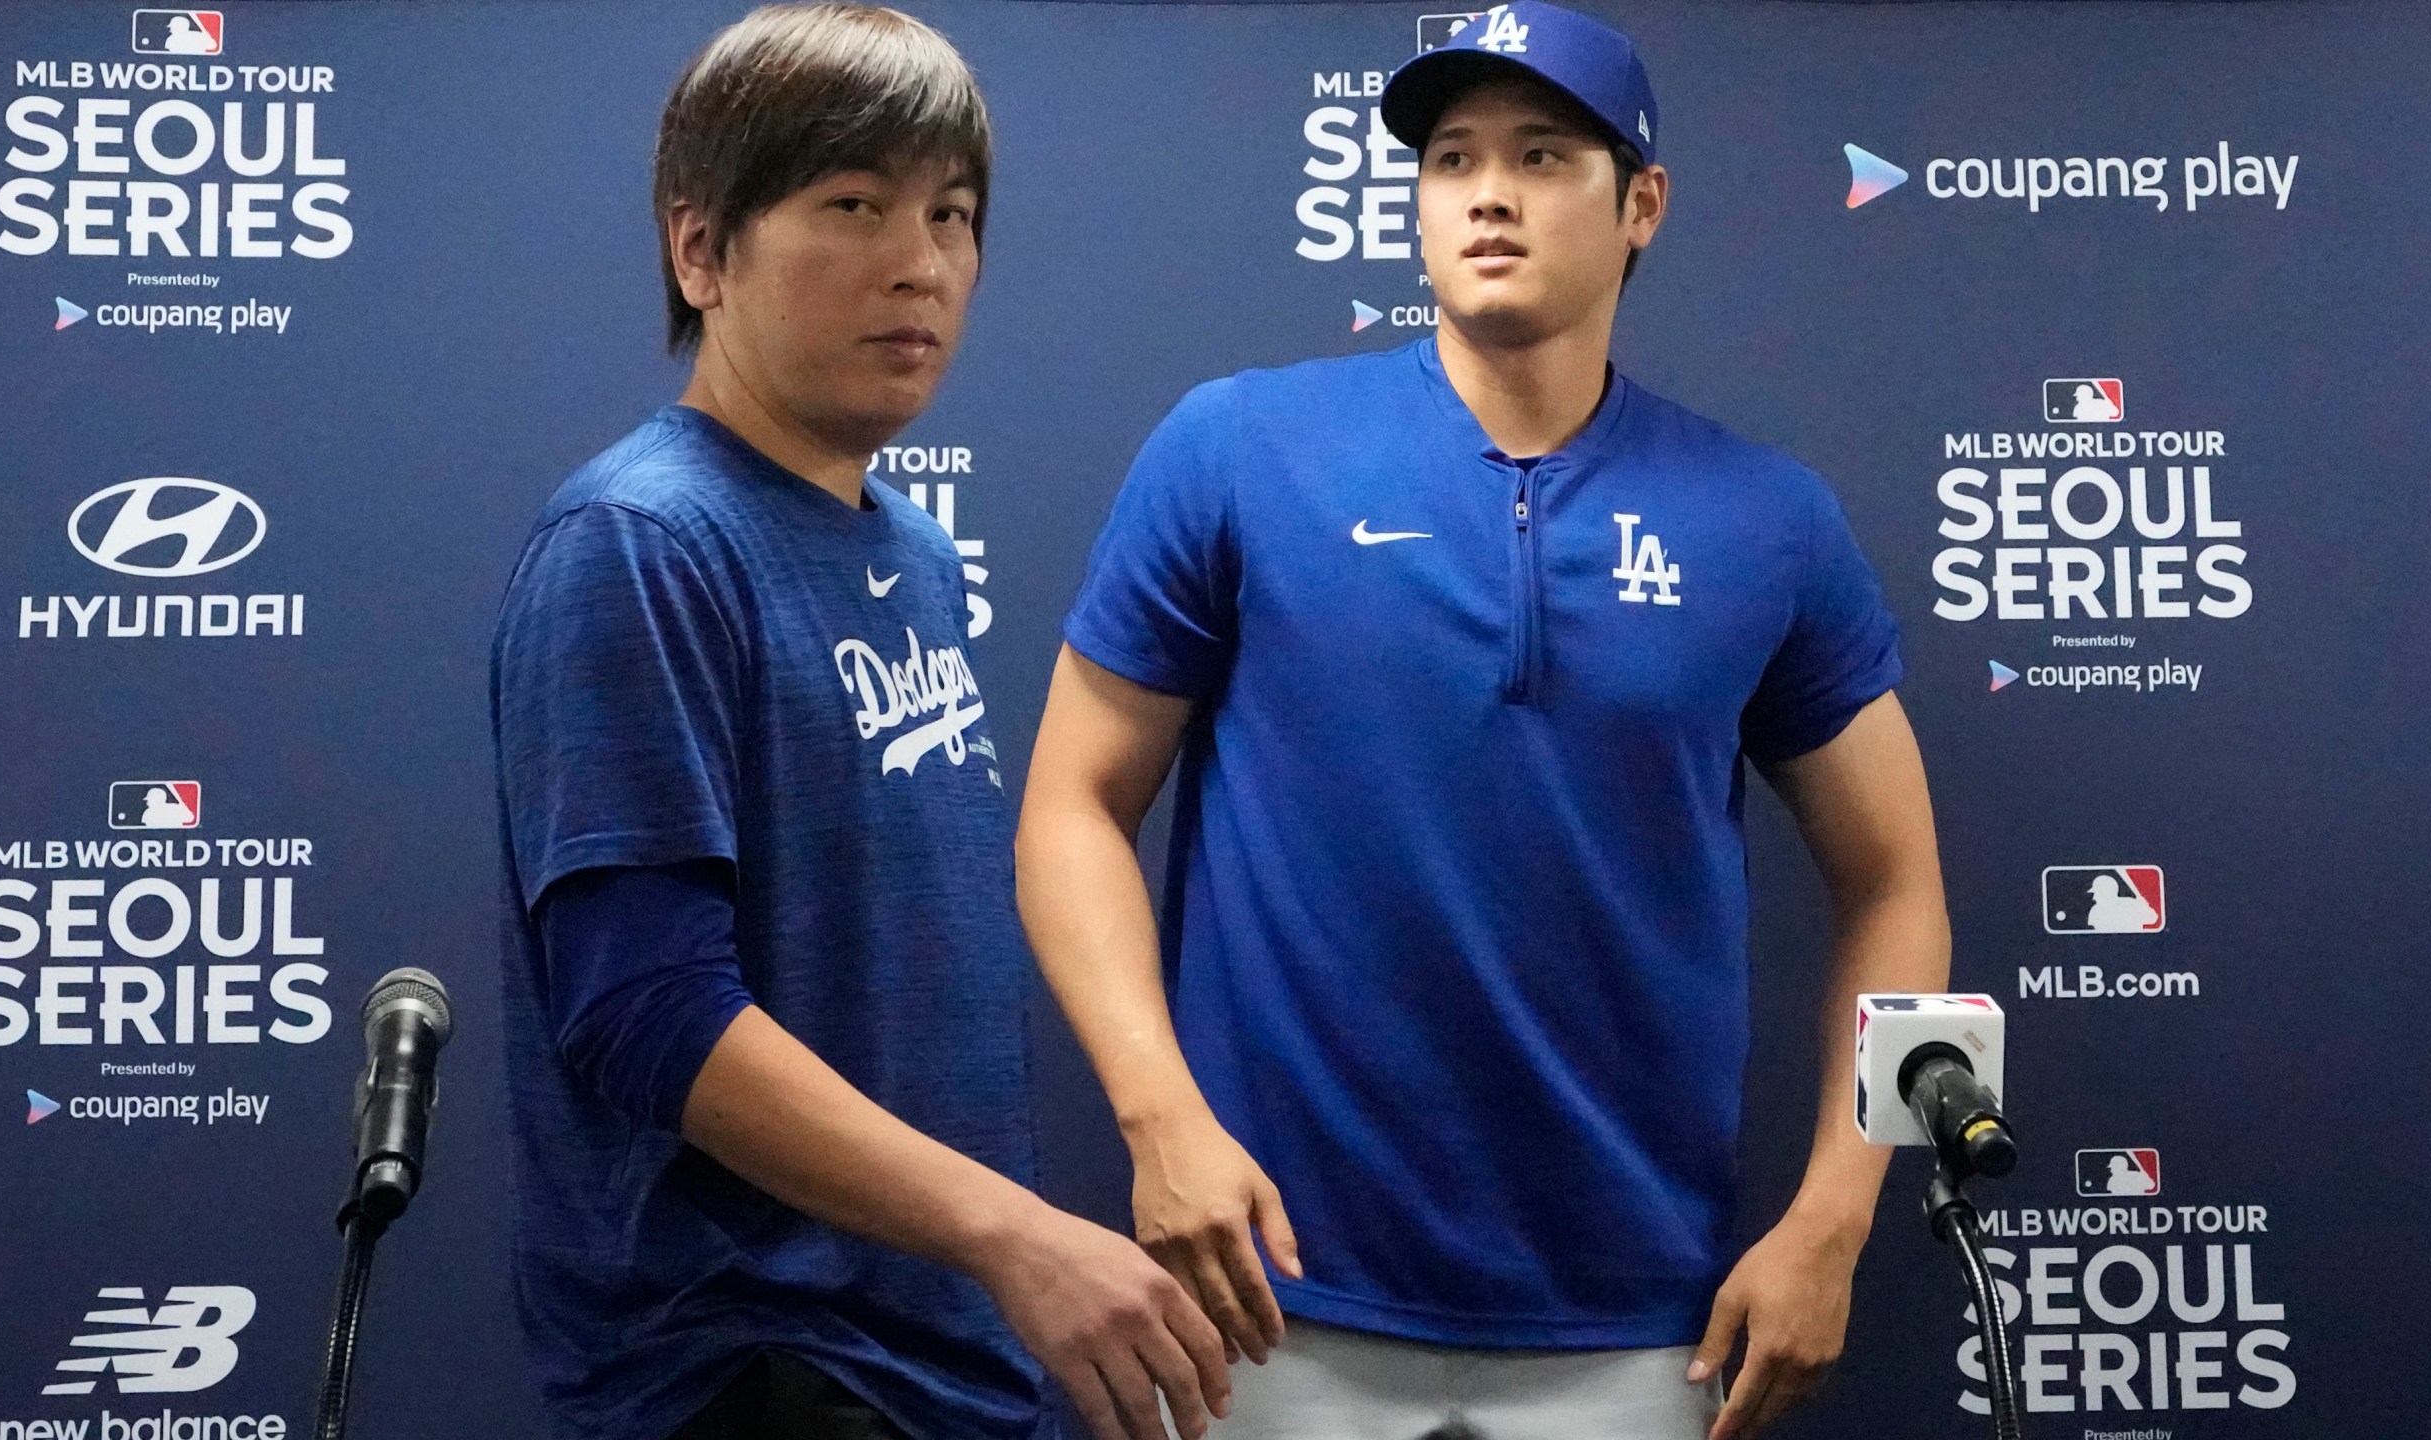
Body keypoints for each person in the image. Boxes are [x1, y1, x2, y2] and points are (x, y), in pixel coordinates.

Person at [1014, 5, 1952, 1438]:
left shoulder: (1770, 520)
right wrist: (1160, 1119)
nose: (1489, 193)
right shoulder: (1238, 449)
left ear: (1642, 203)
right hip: (1266, 1296)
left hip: (1638, 1321)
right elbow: (1073, 802)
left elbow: (1897, 887)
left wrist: (1835, 1218)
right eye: (1450, 159)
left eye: (1542, 154)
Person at [489, 9, 1226, 1440]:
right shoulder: (641, 541)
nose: (923, 264)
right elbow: (645, 1011)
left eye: (952, 215)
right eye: (852, 207)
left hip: (932, 1355)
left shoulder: (913, 549)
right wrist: (1015, 1234)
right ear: (700, 251)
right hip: (754, 1368)